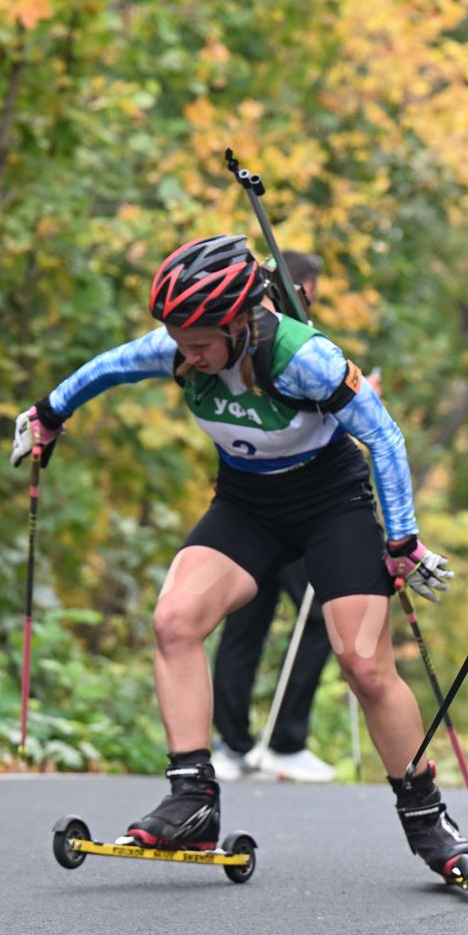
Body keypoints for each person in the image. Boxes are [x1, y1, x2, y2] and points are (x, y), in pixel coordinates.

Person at [10, 235, 468, 888]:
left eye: (200, 342)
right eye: (178, 340)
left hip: (332, 505)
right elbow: (108, 366)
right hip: (248, 507)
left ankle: (426, 813)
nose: (188, 355)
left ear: (238, 323)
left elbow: (384, 435)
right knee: (175, 620)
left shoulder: (304, 357)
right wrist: (47, 414)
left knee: (365, 665)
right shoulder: (179, 350)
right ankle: (192, 799)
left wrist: (403, 540)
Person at [207, 251, 338, 785]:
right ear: (302, 286)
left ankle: (254, 742)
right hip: (282, 505)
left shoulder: (293, 336)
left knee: (255, 619)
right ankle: (256, 743)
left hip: (253, 505)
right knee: (305, 614)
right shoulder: (275, 338)